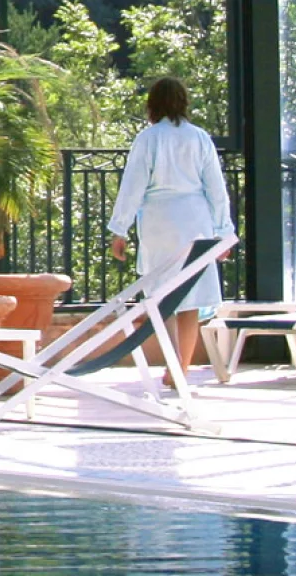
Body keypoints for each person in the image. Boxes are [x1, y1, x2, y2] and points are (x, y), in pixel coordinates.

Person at [107, 78, 235, 386]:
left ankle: (172, 361)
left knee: (164, 295)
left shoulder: (149, 139)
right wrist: (224, 231)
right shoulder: (200, 138)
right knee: (191, 296)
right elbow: (216, 189)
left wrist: (119, 229)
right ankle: (182, 365)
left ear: (152, 104)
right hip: (195, 220)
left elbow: (133, 185)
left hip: (159, 221)